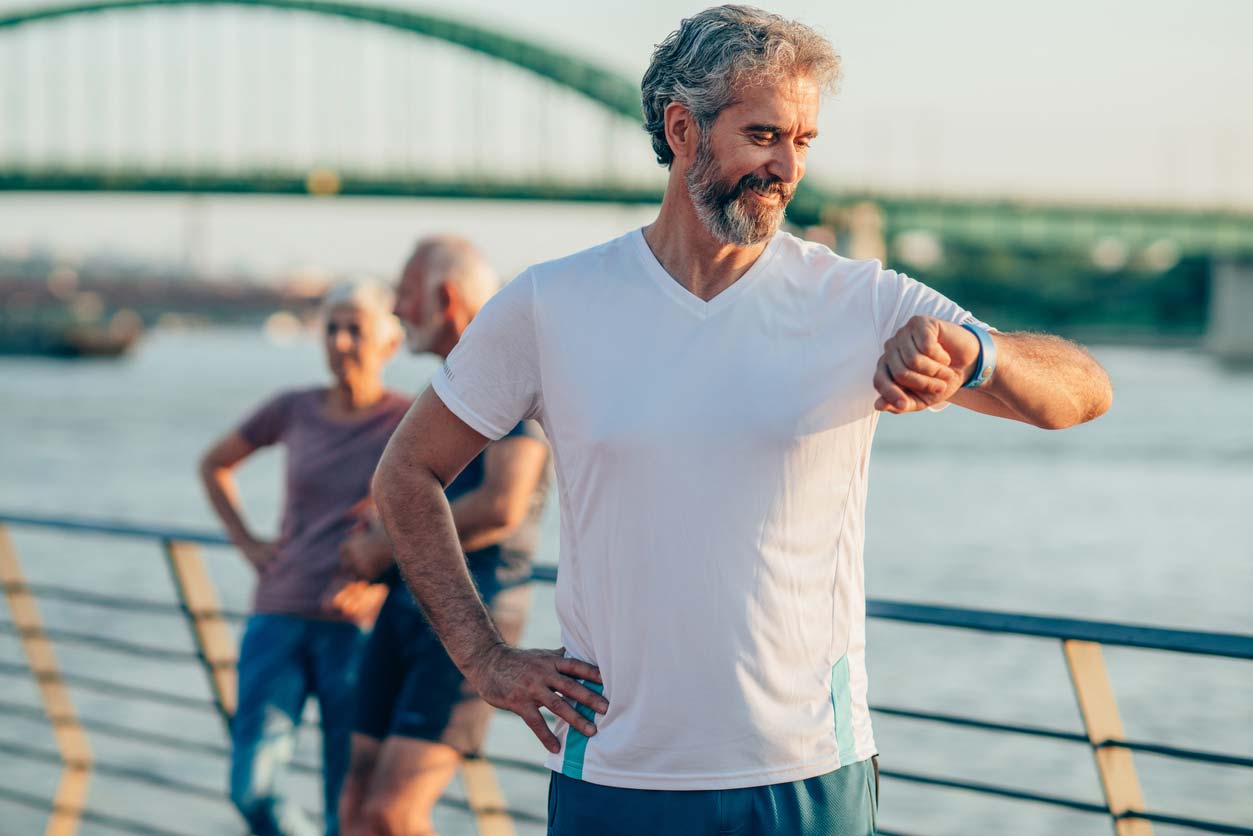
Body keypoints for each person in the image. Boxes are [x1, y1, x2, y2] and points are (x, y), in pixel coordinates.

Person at [371, 6, 1115, 835]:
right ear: (682, 128)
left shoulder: (859, 301)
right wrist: (484, 658)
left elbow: (1082, 392)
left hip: (807, 774)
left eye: (803, 141)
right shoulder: (551, 304)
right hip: (615, 771)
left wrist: (974, 352)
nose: (786, 167)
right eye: (763, 135)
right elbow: (407, 472)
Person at [337, 237, 551, 836]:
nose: (398, 311)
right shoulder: (453, 382)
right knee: (353, 808)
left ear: (446, 296)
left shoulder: (509, 365)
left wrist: (385, 546)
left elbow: (502, 504)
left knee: (391, 813)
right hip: (407, 608)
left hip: (472, 616)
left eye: (405, 294)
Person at [199, 278, 408, 836]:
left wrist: (387, 576)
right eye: (332, 328)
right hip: (279, 616)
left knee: (347, 801)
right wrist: (248, 542)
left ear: (389, 343)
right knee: (251, 789)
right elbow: (214, 464)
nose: (340, 341)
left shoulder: (411, 420)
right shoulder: (292, 408)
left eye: (355, 329)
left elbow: (446, 512)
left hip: (357, 628)